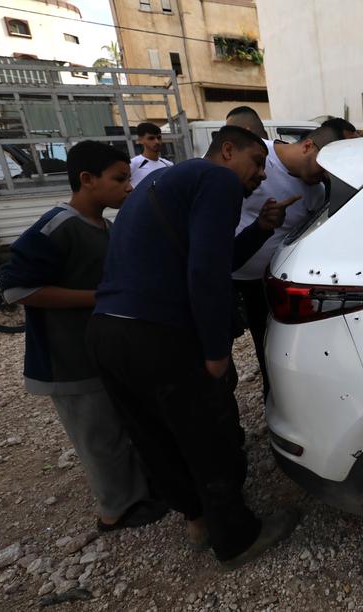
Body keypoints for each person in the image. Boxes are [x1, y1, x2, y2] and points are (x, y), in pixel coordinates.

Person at [86, 125, 299, 571]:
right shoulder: (215, 179)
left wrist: (260, 229)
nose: (261, 176)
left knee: (156, 436)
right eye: (256, 163)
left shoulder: (165, 182)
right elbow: (206, 273)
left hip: (109, 331)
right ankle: (237, 539)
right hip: (157, 333)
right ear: (226, 151)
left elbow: (213, 257)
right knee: (208, 435)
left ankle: (198, 520)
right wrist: (215, 348)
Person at [0, 140, 166, 532]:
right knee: (98, 438)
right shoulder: (56, 226)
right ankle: (115, 511)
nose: (128, 187)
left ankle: (135, 493)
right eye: (119, 178)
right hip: (67, 359)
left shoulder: (105, 227)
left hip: (101, 353)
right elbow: (15, 289)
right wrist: (96, 297)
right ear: (87, 180)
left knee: (118, 427)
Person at [227, 107, 342, 400]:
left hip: (270, 283)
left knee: (272, 347)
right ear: (307, 146)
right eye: (324, 165)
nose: (326, 174)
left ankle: (277, 401)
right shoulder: (254, 156)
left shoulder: (316, 189)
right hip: (230, 276)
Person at [130, 122, 173, 188]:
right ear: (140, 140)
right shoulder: (133, 164)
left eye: (159, 138)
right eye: (151, 138)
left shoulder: (168, 164)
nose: (157, 142)